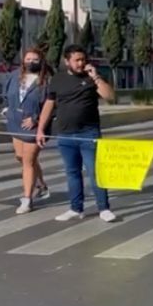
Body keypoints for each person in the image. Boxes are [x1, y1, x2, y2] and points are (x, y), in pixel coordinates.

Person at [36, 44, 117, 223]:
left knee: (95, 172)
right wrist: (41, 129)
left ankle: (104, 208)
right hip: (65, 133)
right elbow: (49, 104)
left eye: (83, 60)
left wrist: (95, 76)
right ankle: (76, 208)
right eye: (77, 60)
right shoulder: (58, 79)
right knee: (72, 172)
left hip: (88, 132)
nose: (81, 63)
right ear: (67, 61)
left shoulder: (91, 78)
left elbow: (110, 96)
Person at [2, 48, 51, 214]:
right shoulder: (14, 76)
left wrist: (36, 119)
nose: (31, 62)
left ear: (41, 61)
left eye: (35, 59)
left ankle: (27, 199)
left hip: (35, 127)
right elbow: (5, 95)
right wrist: (6, 109)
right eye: (28, 58)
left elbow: (53, 105)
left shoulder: (47, 80)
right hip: (15, 124)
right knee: (21, 157)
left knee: (28, 162)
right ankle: (41, 185)